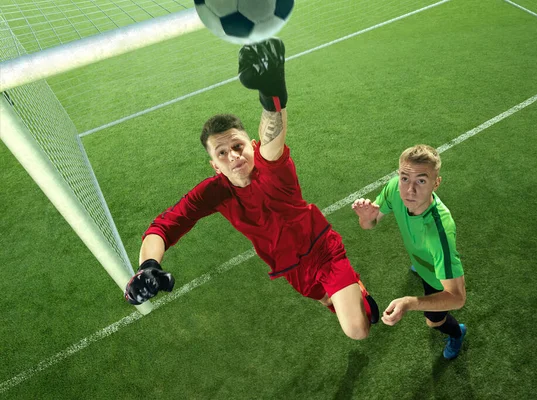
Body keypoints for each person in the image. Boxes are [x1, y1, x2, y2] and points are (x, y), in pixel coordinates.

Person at [124, 38, 378, 340]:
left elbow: (273, 141)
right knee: (326, 300)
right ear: (215, 166)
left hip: (323, 251)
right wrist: (149, 266)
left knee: (357, 330)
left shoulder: (271, 168)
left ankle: (356, 296)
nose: (233, 155)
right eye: (222, 153)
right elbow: (163, 227)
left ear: (251, 146)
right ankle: (348, 298)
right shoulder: (213, 192)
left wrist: (271, 94)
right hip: (288, 267)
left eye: (237, 145)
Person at [352, 144, 467, 358]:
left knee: (433, 321)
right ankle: (419, 264)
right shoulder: (395, 188)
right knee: (422, 260)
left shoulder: (439, 233)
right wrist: (366, 218)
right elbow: (370, 224)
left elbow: (457, 298)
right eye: (405, 178)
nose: (409, 190)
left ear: (436, 183)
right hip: (423, 260)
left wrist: (408, 302)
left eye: (421, 181)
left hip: (435, 279)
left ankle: (457, 332)